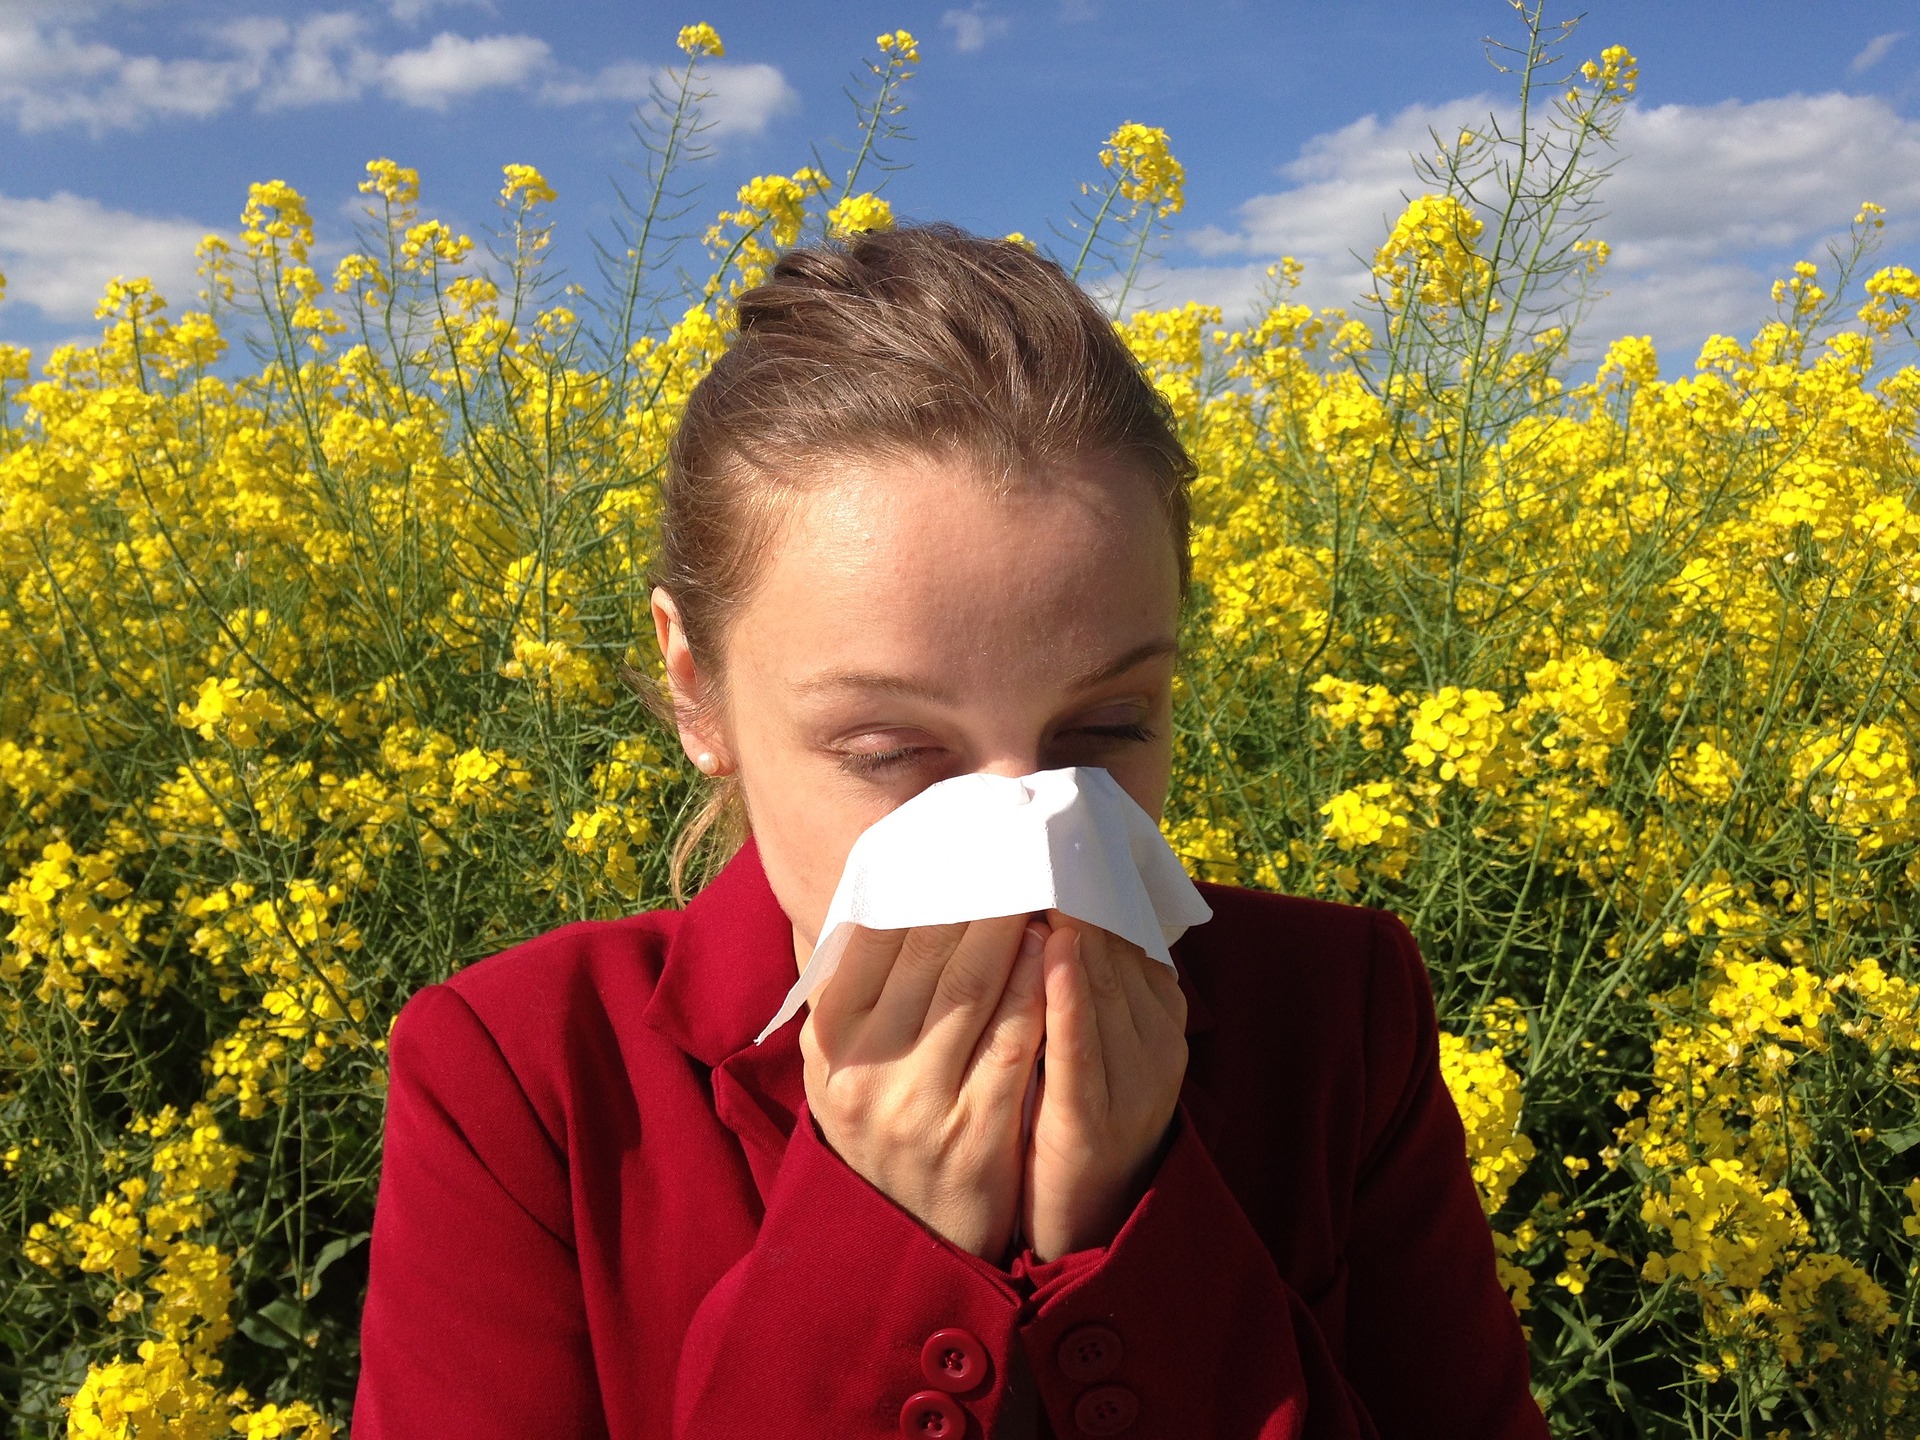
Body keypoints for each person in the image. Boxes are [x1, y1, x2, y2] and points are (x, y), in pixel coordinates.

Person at [351, 223, 1549, 1439]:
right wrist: (881, 1243)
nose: (1028, 844)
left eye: (1108, 731)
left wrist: (1135, 1227)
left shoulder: (1335, 1014)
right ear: (696, 693)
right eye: (889, 753)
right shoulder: (528, 1079)